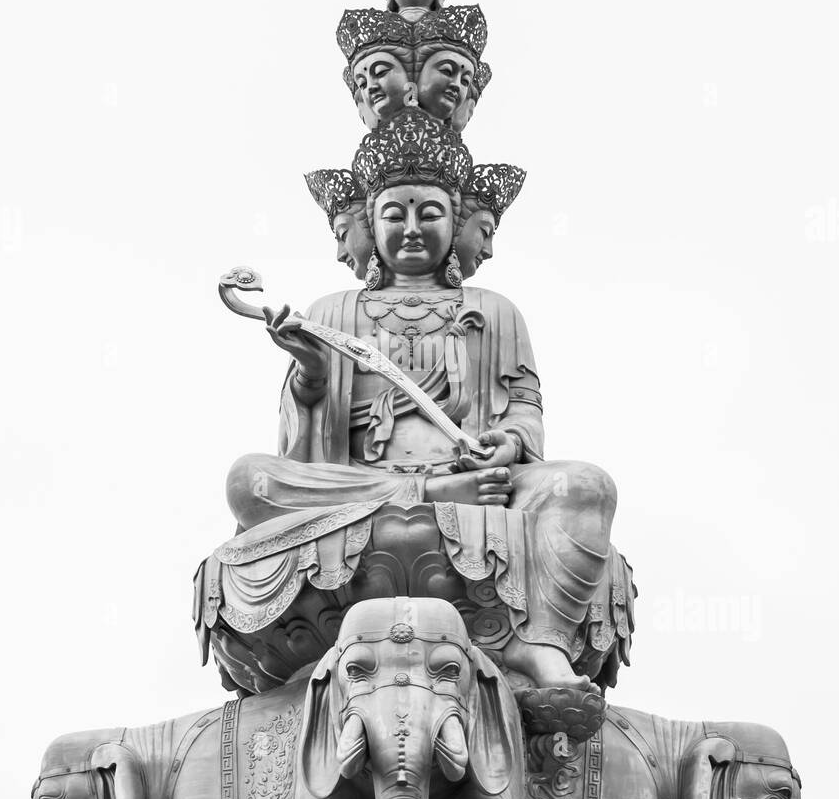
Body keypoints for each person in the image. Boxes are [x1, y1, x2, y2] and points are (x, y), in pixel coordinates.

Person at [199, 112, 633, 699]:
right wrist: (312, 372)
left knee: (586, 486)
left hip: (482, 483)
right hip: (360, 489)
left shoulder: (494, 310)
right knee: (248, 480)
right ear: (366, 226)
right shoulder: (331, 313)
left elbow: (524, 409)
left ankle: (542, 645)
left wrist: (507, 443)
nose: (410, 228)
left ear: (457, 225)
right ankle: (429, 496)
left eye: (429, 213)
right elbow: (299, 455)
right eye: (393, 215)